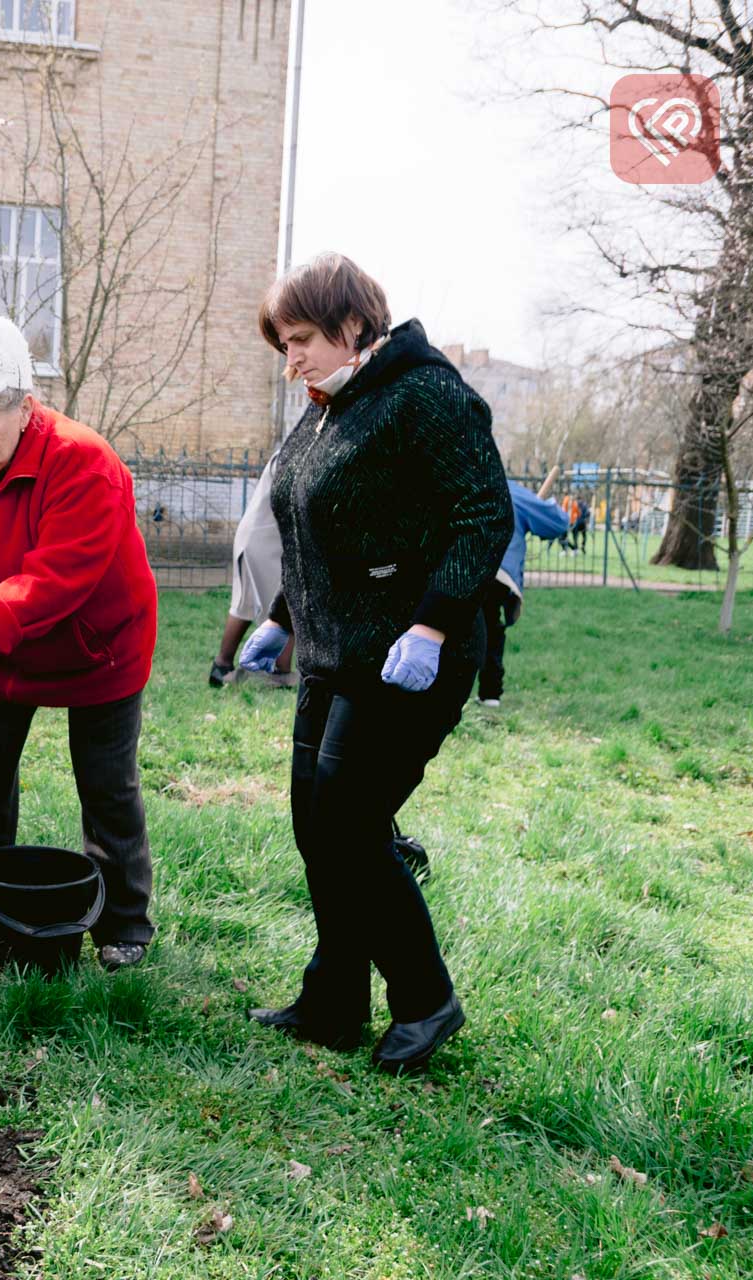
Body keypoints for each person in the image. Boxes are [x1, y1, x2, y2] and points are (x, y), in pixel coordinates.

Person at [238, 253, 510, 1073]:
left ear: (352, 324)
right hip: (333, 653)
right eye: (284, 344)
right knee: (317, 828)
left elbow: (482, 516)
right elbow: (321, 530)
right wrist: (282, 619)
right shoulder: (329, 407)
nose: (291, 359)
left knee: (351, 825)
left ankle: (425, 1001)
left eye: (300, 339)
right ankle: (334, 999)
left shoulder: (425, 394)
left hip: (409, 654)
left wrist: (431, 626)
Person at [0, 313, 160, 971]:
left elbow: (58, 576)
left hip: (96, 644)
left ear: (24, 406)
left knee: (107, 786)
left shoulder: (83, 462)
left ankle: (125, 925)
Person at [477, 480, 570, 708]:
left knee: (467, 626)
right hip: (497, 571)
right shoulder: (512, 491)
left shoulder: (468, 482)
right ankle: (490, 693)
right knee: (489, 629)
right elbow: (557, 523)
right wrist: (546, 505)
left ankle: (480, 692)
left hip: (463, 565)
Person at [210, 444, 296, 688]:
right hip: (267, 540)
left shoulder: (291, 448)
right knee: (287, 602)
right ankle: (280, 672)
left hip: (256, 535)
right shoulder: (295, 452)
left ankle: (221, 667)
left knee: (244, 605)